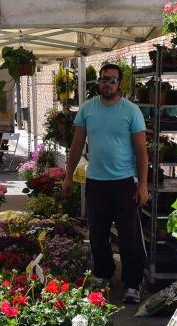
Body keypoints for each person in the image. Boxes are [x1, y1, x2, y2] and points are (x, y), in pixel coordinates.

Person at [63, 63, 149, 304]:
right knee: (97, 235)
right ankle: (103, 275)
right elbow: (77, 145)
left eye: (111, 80)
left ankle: (133, 283)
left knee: (128, 236)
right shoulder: (88, 109)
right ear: (98, 82)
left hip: (124, 183)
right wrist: (68, 176)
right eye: (102, 79)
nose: (106, 83)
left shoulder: (130, 111)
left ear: (119, 83)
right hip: (96, 183)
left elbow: (142, 152)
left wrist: (142, 185)